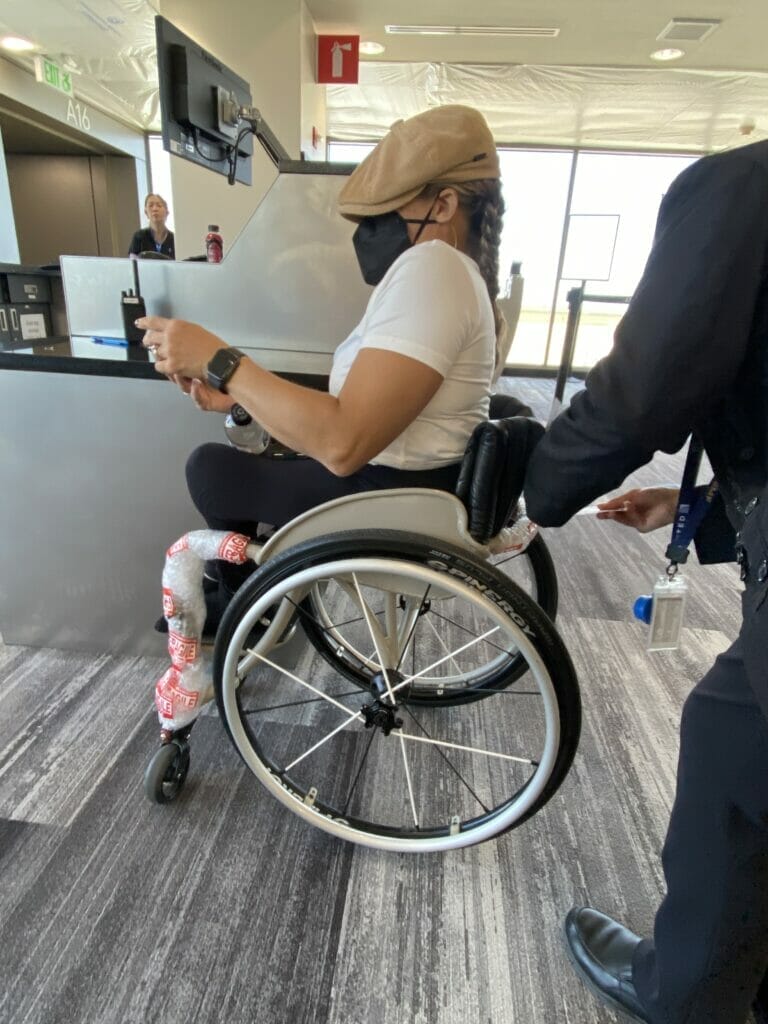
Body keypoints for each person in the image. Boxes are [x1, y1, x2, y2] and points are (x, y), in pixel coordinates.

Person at [524, 138, 768, 1023]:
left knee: (731, 742)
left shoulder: (743, 184)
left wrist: (537, 485)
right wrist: (697, 506)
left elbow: (647, 384)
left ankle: (686, 991)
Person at [137, 105, 505, 622]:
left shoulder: (434, 269)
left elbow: (342, 442)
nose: (367, 231)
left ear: (443, 204)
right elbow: (356, 413)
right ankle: (247, 597)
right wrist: (241, 393)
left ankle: (242, 603)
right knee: (240, 463)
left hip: (392, 495)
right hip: (414, 483)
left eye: (383, 214)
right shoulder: (459, 277)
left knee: (211, 470)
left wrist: (220, 359)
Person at [128, 193, 175, 259]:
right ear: (146, 213)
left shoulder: (174, 239)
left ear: (167, 212)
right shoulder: (139, 237)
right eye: (151, 205)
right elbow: (133, 265)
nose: (155, 209)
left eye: (159, 205)